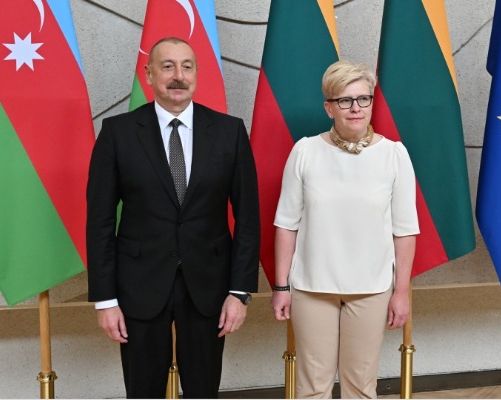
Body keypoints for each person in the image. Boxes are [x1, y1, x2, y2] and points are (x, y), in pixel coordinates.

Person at [86, 37, 260, 399]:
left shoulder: (229, 132)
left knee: (203, 391)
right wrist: (105, 300)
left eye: (187, 66)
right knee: (142, 391)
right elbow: (99, 221)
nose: (178, 75)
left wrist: (239, 292)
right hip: (138, 286)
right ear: (149, 74)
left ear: (196, 74)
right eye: (167, 66)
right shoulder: (118, 133)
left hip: (210, 287)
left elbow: (248, 218)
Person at [270, 60, 420, 399]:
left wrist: (401, 292)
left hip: (372, 289)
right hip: (312, 287)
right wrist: (281, 286)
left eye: (363, 99)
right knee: (313, 387)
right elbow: (286, 224)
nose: (356, 108)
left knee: (360, 387)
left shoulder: (394, 155)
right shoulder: (305, 151)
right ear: (329, 107)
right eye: (345, 100)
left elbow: (405, 231)